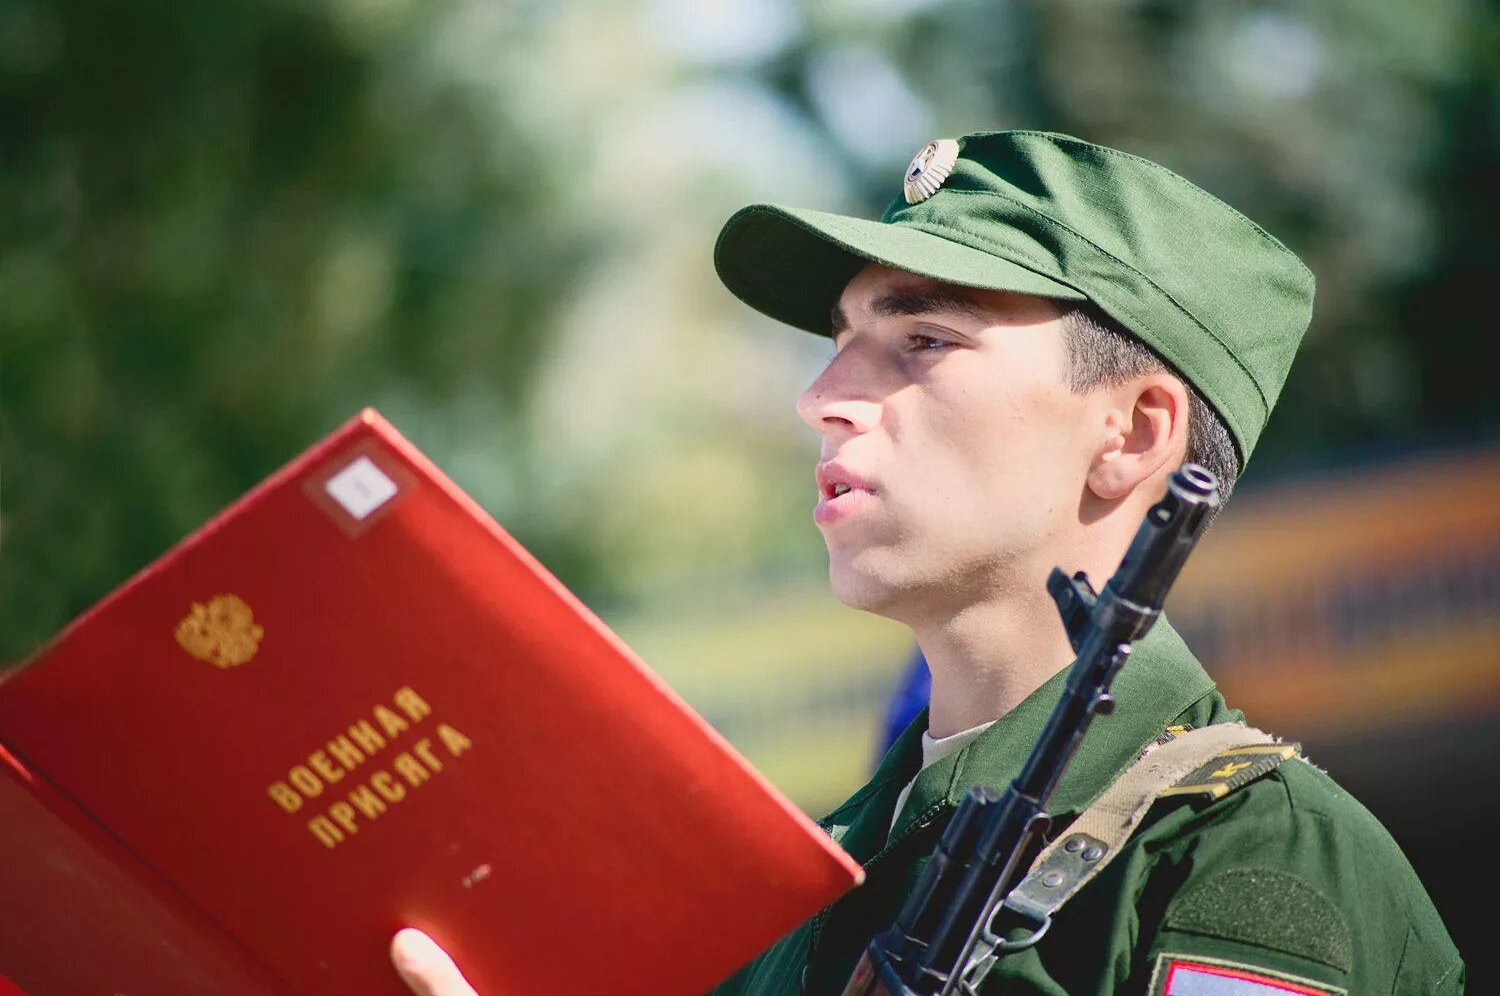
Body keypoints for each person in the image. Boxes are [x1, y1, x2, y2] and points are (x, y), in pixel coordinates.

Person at [391, 132, 1464, 995]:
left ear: (1135, 433)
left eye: (925, 341)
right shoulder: (798, 891)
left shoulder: (1253, 867)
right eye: (841, 338)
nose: (822, 397)